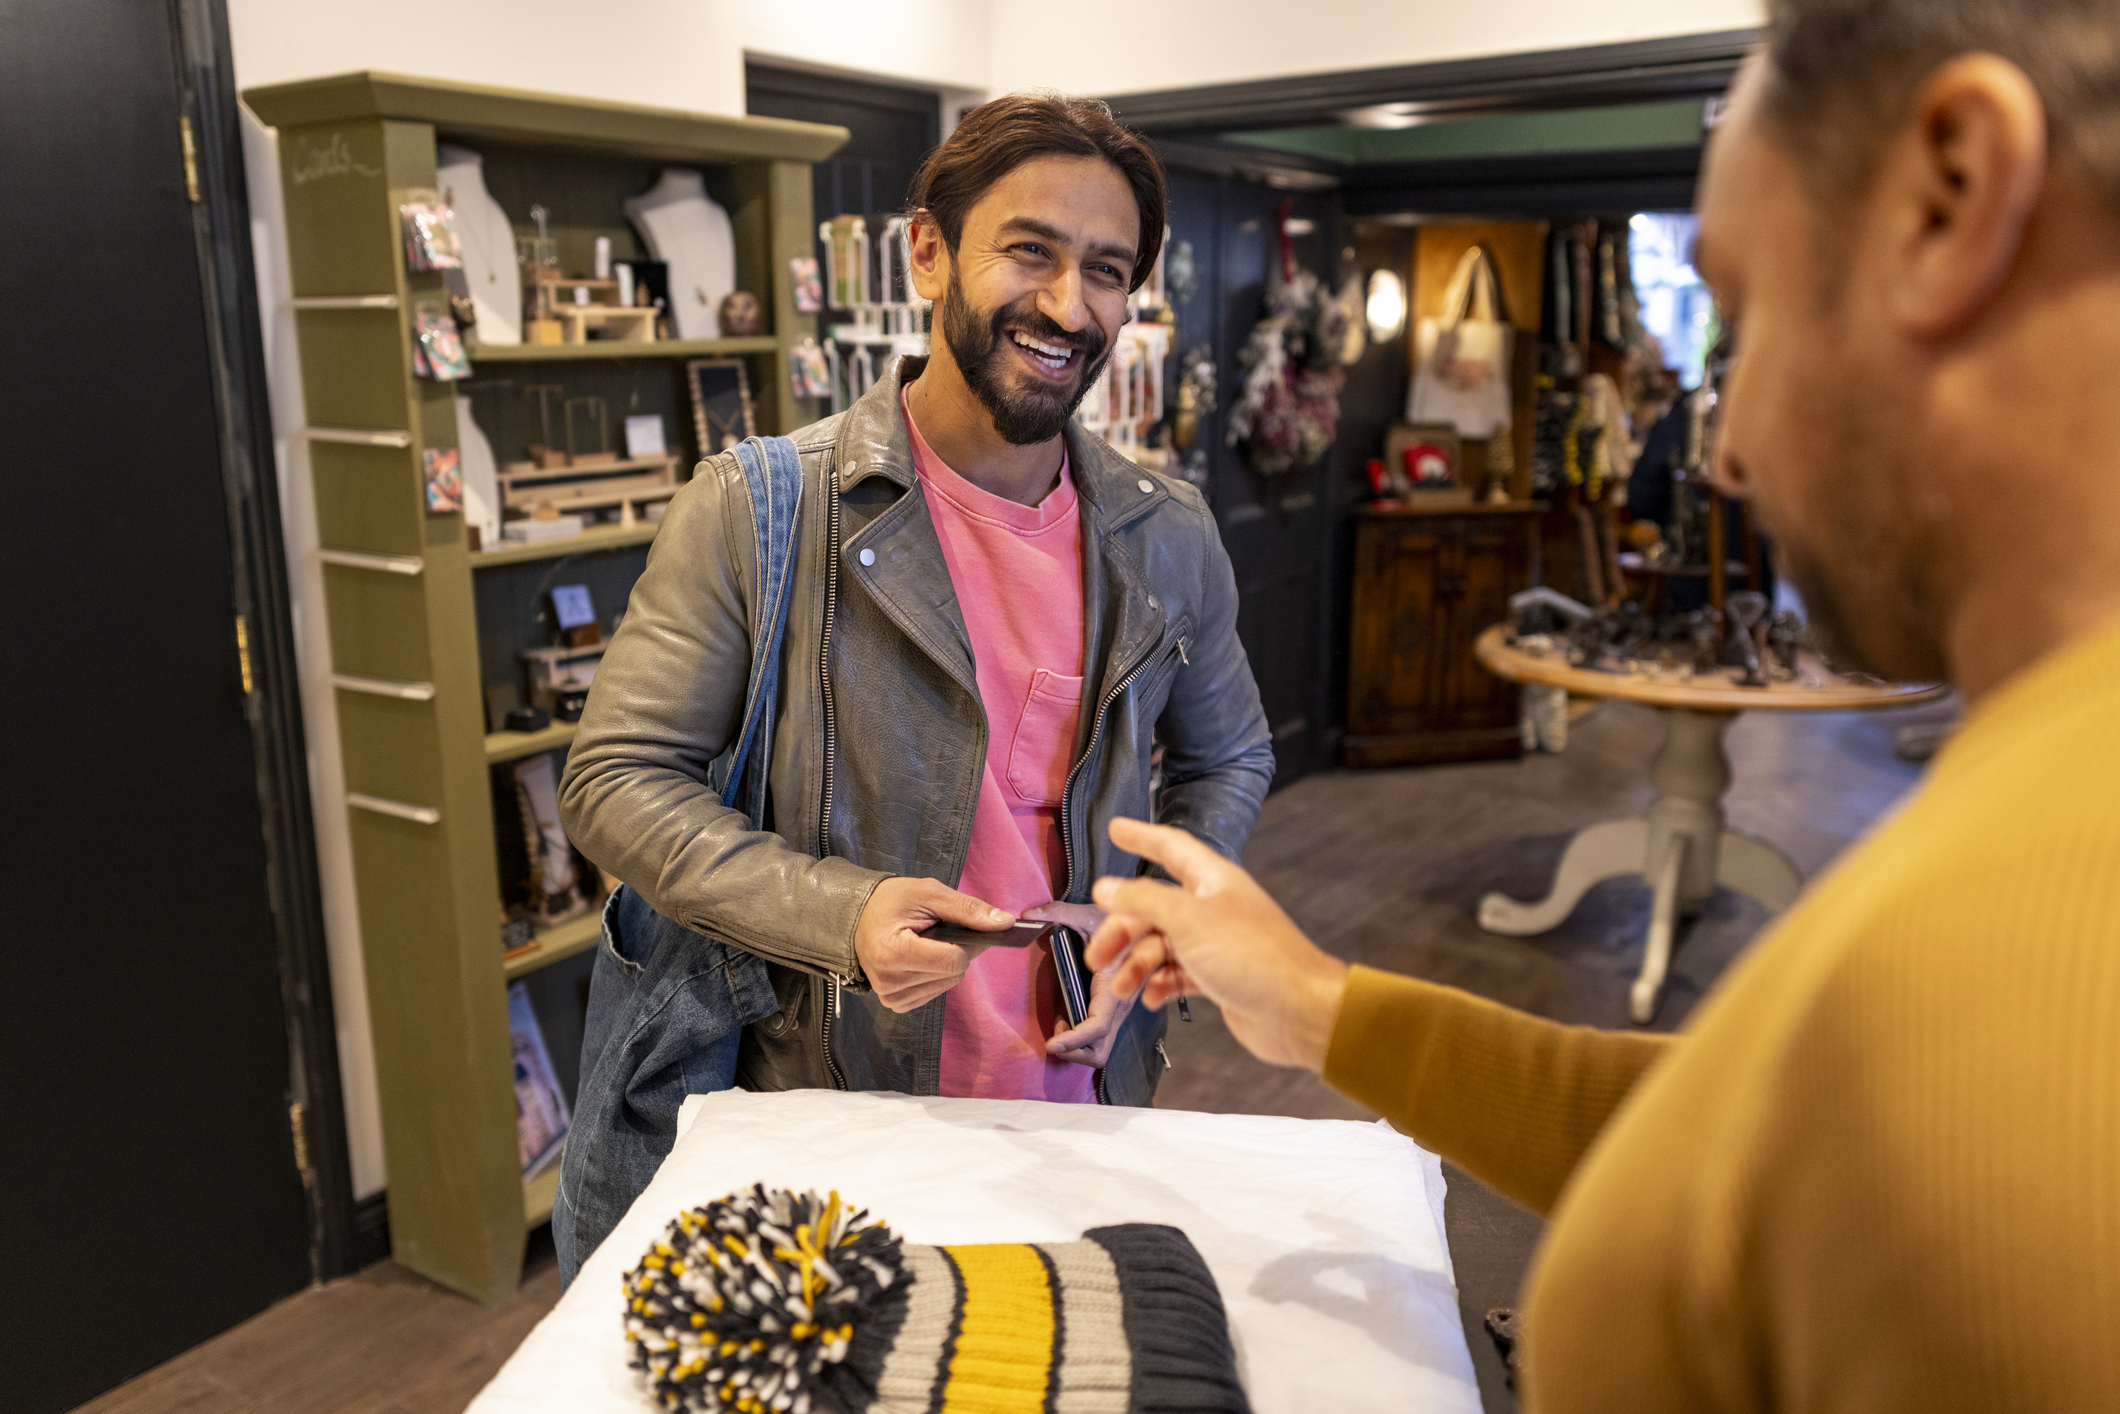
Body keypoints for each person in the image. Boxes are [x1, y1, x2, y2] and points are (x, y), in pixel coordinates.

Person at [1088, 2, 2120, 1408]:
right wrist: (1321, 1005)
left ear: (1954, 193)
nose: (1734, 447)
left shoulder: (2011, 951)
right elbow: (1746, 1127)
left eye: (1749, 308)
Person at [550, 93, 1274, 1283]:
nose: (1066, 304)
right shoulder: (758, 507)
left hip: (1080, 1099)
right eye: (1028, 250)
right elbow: (616, 780)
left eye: (1104, 269)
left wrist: (1142, 907)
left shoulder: (1164, 533)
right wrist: (836, 915)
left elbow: (1231, 756)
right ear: (927, 250)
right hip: (823, 1111)